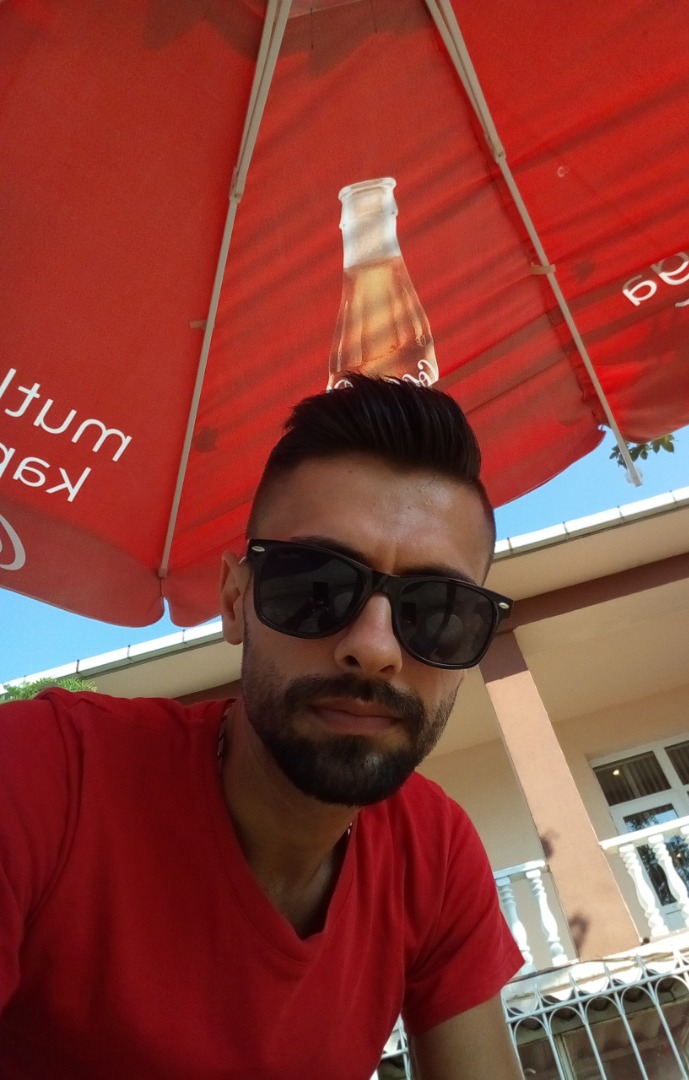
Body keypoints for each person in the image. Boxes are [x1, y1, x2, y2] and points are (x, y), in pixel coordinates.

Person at [0, 376, 524, 1079]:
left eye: (439, 612)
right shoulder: (43, 772)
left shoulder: (435, 854)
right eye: (318, 586)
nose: (374, 648)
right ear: (234, 601)